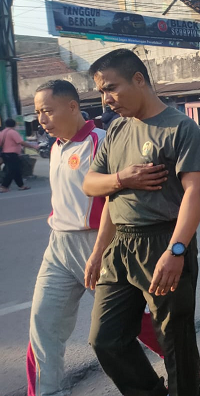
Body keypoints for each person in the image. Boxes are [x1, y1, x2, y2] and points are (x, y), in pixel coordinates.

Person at [82, 49, 200, 396]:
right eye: (102, 92)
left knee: (176, 342)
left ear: (139, 79)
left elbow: (195, 191)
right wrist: (98, 251)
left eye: (111, 88)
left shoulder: (179, 127)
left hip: (163, 242)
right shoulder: (117, 130)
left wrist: (176, 250)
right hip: (120, 246)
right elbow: (93, 186)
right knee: (105, 339)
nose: (106, 100)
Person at [26, 79, 163, 396]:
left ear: (72, 106)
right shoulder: (56, 147)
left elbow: (118, 201)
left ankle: (179, 361)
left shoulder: (101, 142)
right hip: (58, 247)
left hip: (99, 245)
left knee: (133, 320)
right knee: (43, 324)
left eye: (48, 111)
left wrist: (100, 251)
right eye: (38, 112)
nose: (42, 119)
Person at [1, 118, 37, 193]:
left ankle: (21, 185)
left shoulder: (2, 132)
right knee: (12, 170)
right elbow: (21, 142)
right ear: (14, 124)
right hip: (12, 154)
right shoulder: (13, 132)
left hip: (5, 153)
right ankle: (4, 186)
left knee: (16, 170)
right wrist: (33, 147)